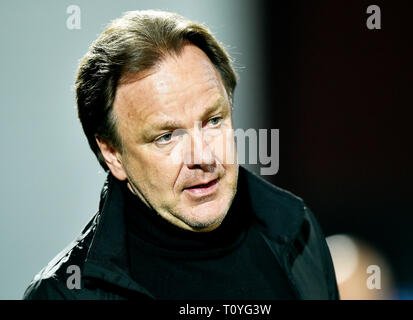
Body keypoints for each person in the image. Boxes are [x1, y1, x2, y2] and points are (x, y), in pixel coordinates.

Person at [23, 10, 339, 300]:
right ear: (112, 153)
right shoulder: (64, 295)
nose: (202, 155)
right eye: (166, 136)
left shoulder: (297, 232)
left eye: (213, 121)